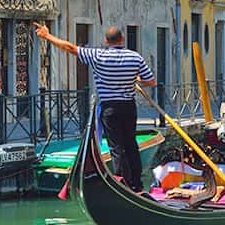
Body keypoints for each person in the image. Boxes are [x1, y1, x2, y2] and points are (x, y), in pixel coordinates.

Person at [34, 23, 156, 192]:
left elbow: (70, 48)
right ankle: (136, 184)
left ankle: (122, 184)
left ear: (106, 41)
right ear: (122, 39)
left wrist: (47, 36)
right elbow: (151, 81)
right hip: (128, 107)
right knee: (131, 144)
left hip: (109, 108)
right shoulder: (135, 57)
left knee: (116, 147)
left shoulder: (97, 55)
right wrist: (136, 80)